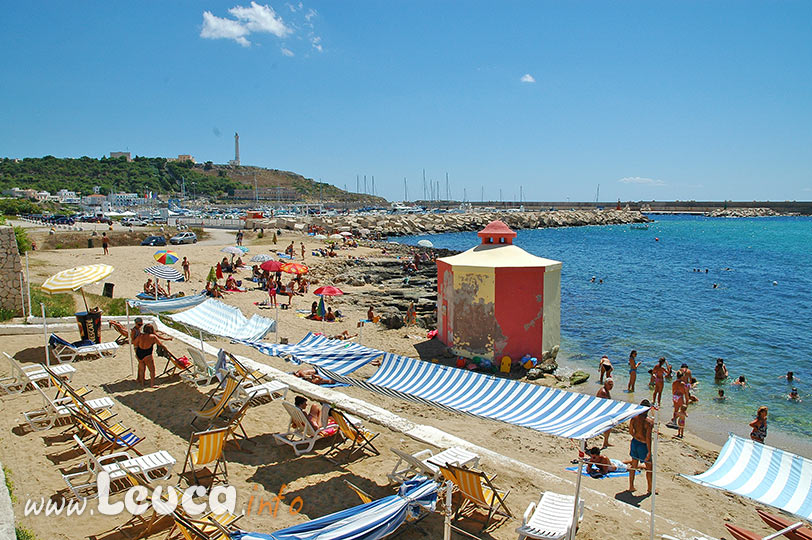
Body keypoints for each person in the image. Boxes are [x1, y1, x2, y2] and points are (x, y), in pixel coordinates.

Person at [628, 399, 654, 494]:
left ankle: (631, 486)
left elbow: (630, 431)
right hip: (643, 445)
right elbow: (648, 438)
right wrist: (649, 452)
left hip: (635, 442)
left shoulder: (634, 418)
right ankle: (650, 489)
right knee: (649, 468)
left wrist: (635, 436)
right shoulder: (649, 422)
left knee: (633, 465)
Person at [596, 379, 614, 447]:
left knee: (608, 427)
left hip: (603, 412)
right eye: (610, 384)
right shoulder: (603, 392)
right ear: (605, 384)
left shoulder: (606, 390)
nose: (611, 386)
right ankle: (605, 442)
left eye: (612, 385)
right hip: (601, 412)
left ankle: (606, 442)